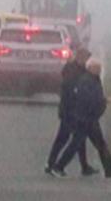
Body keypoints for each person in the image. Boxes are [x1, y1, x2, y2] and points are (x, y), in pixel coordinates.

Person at [52, 58, 111, 178]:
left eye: (100, 68)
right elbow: (88, 99)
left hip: (89, 118)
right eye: (96, 68)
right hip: (85, 118)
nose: (99, 70)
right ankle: (58, 166)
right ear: (90, 68)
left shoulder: (93, 80)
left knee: (96, 144)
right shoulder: (86, 81)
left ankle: (110, 171)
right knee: (77, 144)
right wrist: (103, 101)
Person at [44, 48, 94, 176]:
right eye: (87, 59)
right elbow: (70, 91)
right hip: (71, 110)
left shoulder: (72, 69)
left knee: (76, 139)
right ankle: (55, 165)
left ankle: (83, 166)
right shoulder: (75, 72)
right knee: (69, 138)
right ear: (81, 58)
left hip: (71, 109)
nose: (88, 62)